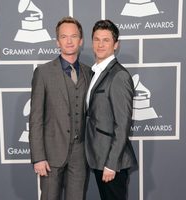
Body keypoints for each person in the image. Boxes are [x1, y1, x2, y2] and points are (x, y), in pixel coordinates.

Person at [29, 16, 91, 200]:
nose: (69, 41)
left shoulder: (89, 72)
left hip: (80, 155)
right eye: (64, 37)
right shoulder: (43, 72)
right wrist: (38, 157)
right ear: (57, 42)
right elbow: (36, 118)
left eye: (73, 36)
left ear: (81, 40)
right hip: (50, 154)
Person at [85, 19, 137, 200]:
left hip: (111, 162)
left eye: (106, 40)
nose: (100, 44)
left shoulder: (119, 76)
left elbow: (123, 124)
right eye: (96, 39)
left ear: (116, 45)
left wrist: (111, 164)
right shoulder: (95, 72)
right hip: (98, 156)